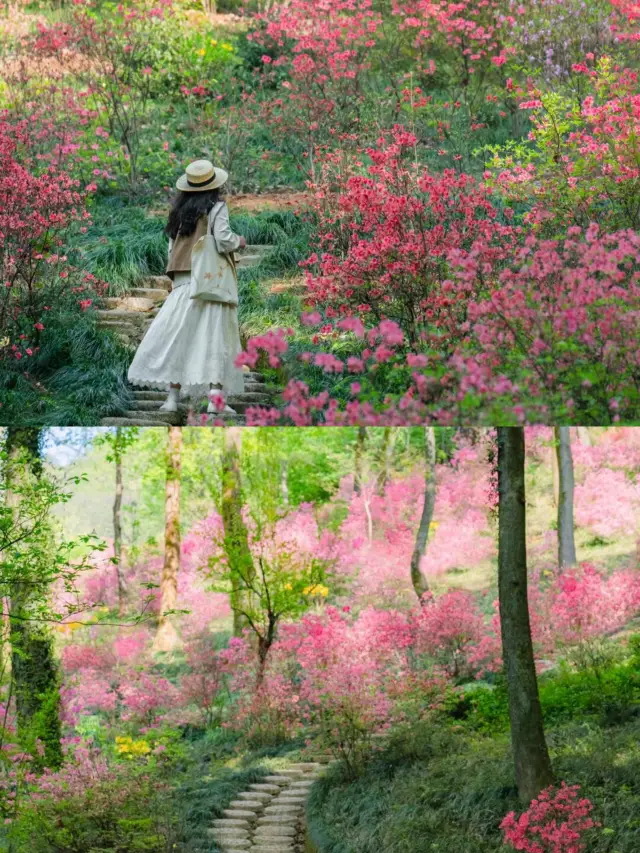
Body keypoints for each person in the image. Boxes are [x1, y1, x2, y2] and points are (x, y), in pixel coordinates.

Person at [128, 160, 246, 414]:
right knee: (215, 336)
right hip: (210, 280)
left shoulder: (178, 213)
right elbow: (224, 240)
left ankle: (172, 399)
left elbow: (171, 249)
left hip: (183, 282)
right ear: (214, 185)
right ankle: (216, 401)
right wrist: (240, 241)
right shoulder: (217, 208)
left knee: (179, 337)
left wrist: (174, 282)